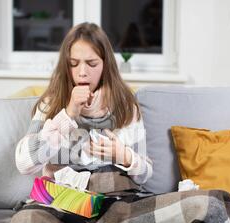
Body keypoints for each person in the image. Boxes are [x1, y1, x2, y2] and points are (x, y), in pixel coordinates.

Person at [15, 22, 152, 186]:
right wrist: (68, 114)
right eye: (73, 64)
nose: (82, 73)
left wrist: (125, 156)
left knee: (187, 203)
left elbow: (145, 174)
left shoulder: (126, 106)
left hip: (115, 197)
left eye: (92, 64)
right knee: (28, 214)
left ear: (105, 65)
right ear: (66, 66)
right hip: (62, 197)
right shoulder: (50, 104)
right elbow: (24, 164)